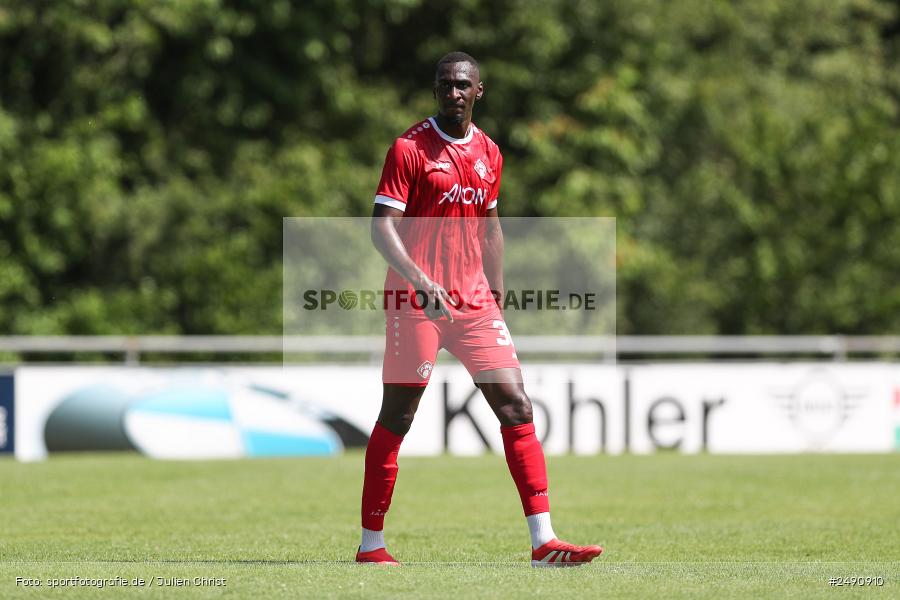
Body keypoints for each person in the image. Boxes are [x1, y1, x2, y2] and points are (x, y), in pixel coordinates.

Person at [356, 51, 603, 567]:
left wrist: (497, 296)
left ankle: (543, 541)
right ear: (435, 90)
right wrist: (421, 283)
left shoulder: (490, 152)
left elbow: (491, 229)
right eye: (445, 85)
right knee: (398, 417)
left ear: (478, 91)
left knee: (517, 407)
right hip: (415, 302)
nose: (453, 93)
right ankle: (371, 546)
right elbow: (381, 227)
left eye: (462, 85)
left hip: (473, 303)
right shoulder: (409, 148)